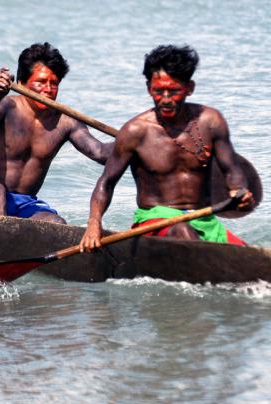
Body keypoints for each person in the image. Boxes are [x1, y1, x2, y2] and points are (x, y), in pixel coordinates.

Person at [79, 44, 255, 252]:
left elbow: (233, 170)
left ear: (190, 88)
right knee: (182, 231)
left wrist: (239, 191)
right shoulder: (135, 131)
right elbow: (107, 182)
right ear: (148, 89)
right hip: (154, 221)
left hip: (204, 220)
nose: (166, 99)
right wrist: (93, 222)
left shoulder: (211, 122)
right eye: (158, 91)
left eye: (174, 91)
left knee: (250, 254)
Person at [0, 42, 113, 224]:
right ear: (22, 83)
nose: (47, 90)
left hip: (23, 204)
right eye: (40, 82)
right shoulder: (6, 106)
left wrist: (134, 141)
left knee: (57, 223)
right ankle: (1, 246)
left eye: (53, 84)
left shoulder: (65, 122)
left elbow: (101, 153)